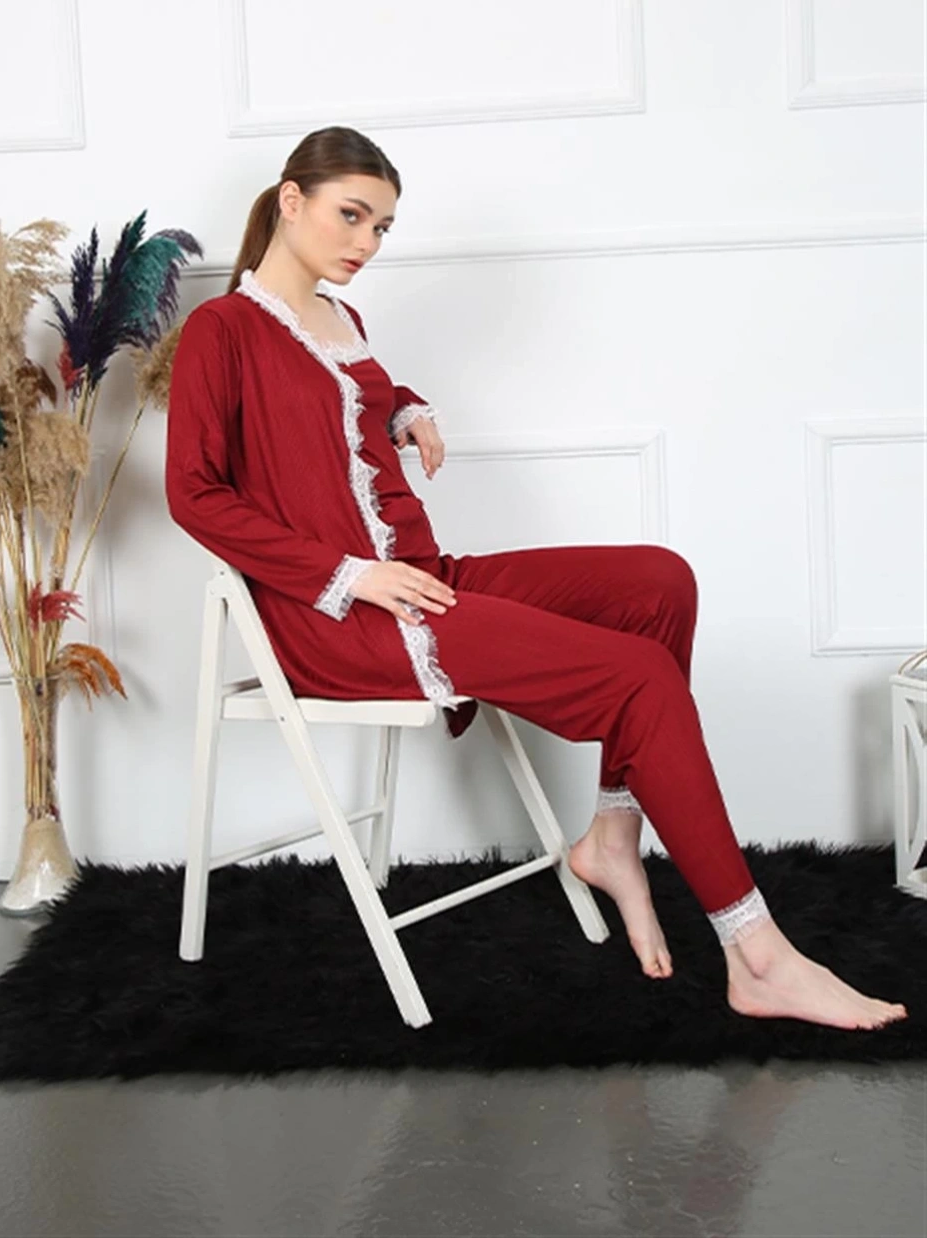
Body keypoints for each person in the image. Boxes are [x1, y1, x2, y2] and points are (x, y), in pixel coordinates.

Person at [165, 125, 907, 1033]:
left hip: (421, 579)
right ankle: (758, 957)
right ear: (292, 201)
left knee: (659, 583)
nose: (367, 243)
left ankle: (613, 834)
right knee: (638, 676)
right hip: (343, 620)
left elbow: (339, 404)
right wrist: (349, 574)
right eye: (351, 216)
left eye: (383, 227)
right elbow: (195, 495)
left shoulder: (342, 320)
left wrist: (406, 409)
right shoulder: (222, 330)